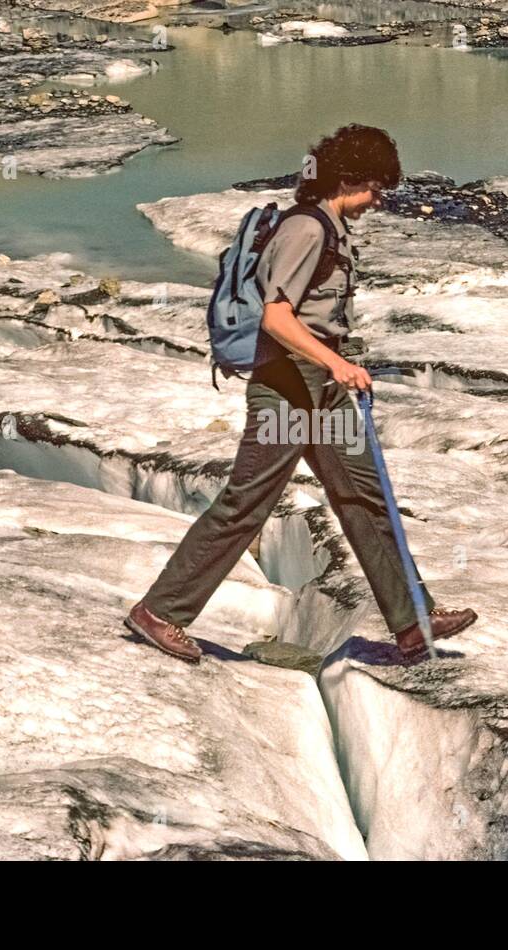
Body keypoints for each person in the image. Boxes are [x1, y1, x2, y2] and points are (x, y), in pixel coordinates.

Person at [125, 125, 477, 664]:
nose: (377, 201)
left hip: (322, 390)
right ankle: (162, 612)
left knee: (364, 497)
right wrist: (336, 361)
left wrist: (336, 365)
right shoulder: (306, 231)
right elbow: (276, 317)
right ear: (350, 179)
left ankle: (412, 621)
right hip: (288, 388)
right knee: (248, 502)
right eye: (375, 189)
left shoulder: (330, 227)